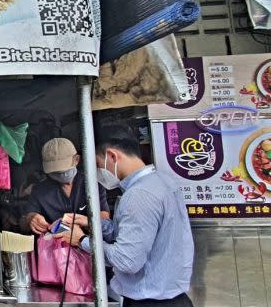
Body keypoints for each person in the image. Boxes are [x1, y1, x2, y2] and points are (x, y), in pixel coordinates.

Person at [57, 124, 194, 307]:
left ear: (112, 156)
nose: (97, 173)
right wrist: (92, 223)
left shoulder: (139, 195)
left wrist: (81, 240)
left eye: (97, 165)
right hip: (174, 299)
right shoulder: (162, 181)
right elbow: (133, 236)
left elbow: (127, 260)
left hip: (151, 303)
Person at [21, 137, 110, 234]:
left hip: (88, 245)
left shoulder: (93, 185)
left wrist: (81, 222)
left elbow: (104, 220)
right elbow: (24, 223)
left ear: (76, 160)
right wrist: (31, 219)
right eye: (55, 172)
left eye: (63, 170)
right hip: (54, 246)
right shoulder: (39, 191)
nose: (60, 175)